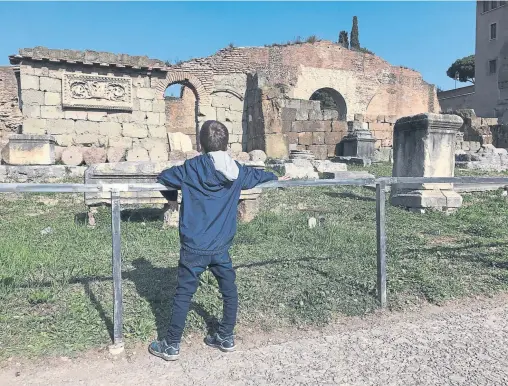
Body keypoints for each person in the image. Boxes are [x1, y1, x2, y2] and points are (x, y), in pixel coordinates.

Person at [149, 120, 289, 361]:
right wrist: (274, 176)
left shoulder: (190, 168)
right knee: (229, 289)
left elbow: (164, 177)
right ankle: (225, 336)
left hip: (194, 245)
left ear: (201, 145)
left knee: (184, 293)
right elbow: (258, 175)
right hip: (221, 246)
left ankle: (171, 344)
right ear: (226, 144)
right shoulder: (237, 171)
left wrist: (172, 195)